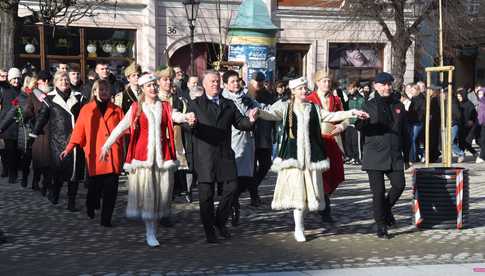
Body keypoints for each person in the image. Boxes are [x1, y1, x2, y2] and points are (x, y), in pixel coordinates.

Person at [256, 77, 368, 242]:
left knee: (311, 194)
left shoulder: (313, 108)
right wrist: (257, 112)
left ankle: (301, 222)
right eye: (300, 89)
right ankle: (299, 228)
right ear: (293, 91)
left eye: (304, 88)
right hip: (292, 158)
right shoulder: (285, 106)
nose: (303, 91)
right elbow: (271, 114)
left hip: (311, 158)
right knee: (298, 195)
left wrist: (352, 112)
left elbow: (330, 115)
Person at [100, 73, 196, 247]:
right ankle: (150, 232)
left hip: (162, 159)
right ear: (143, 89)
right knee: (148, 195)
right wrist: (106, 145)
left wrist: (186, 117)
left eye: (154, 85)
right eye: (149, 86)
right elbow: (121, 127)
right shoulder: (136, 107)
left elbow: (176, 116)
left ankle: (154, 229)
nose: (153, 88)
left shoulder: (165, 106)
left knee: (161, 195)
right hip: (143, 159)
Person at [187, 71, 256, 243]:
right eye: (211, 81)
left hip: (225, 155)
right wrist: (190, 124)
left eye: (217, 81)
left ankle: (220, 221)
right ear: (204, 85)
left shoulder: (228, 104)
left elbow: (240, 123)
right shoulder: (195, 104)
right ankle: (209, 230)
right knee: (206, 196)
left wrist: (251, 120)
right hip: (205, 156)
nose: (215, 84)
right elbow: (188, 126)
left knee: (232, 189)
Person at [60, 79, 124, 227]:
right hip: (96, 155)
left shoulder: (117, 110)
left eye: (106, 89)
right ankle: (90, 205)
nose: (104, 92)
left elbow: (125, 131)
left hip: (113, 154)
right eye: (100, 89)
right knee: (94, 188)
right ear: (94, 92)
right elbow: (78, 131)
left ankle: (106, 219)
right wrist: (69, 148)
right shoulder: (87, 109)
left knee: (111, 190)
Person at [355, 72, 410, 239]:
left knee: (399, 185)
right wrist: (362, 122)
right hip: (375, 155)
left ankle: (385, 211)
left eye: (389, 84)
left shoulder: (398, 105)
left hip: (394, 154)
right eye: (384, 84)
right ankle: (381, 226)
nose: (387, 87)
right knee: (378, 193)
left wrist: (407, 157)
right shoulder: (368, 105)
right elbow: (359, 126)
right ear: (376, 86)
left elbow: (405, 133)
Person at [30, 71, 86, 211]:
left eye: (66, 79)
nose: (64, 82)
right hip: (58, 142)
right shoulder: (49, 99)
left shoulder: (78, 97)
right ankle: (55, 192)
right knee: (59, 171)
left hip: (76, 140)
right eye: (60, 80)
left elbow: (88, 114)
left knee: (74, 172)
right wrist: (33, 134)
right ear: (55, 82)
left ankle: (71, 201)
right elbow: (42, 117)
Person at [306, 69, 349, 223]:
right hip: (316, 142)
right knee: (320, 175)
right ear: (317, 82)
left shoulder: (336, 100)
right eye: (323, 81)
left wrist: (341, 127)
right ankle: (325, 210)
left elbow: (345, 118)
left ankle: (322, 199)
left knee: (335, 173)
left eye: (329, 81)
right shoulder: (309, 99)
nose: (327, 83)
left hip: (333, 141)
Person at [221, 70, 260, 226]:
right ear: (225, 84)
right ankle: (232, 206)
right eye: (232, 81)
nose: (236, 84)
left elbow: (261, 109)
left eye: (237, 81)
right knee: (232, 179)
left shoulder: (246, 98)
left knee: (245, 178)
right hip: (231, 142)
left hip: (248, 142)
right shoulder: (224, 99)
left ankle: (234, 202)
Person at [249, 71, 275, 206]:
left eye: (260, 81)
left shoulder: (270, 96)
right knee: (251, 168)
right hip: (250, 136)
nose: (258, 83)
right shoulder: (246, 95)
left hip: (265, 135)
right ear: (251, 81)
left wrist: (275, 133)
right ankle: (254, 195)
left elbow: (275, 114)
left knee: (265, 165)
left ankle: (252, 187)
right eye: (255, 81)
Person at [29, 70, 53, 195]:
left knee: (48, 160)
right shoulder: (34, 95)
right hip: (39, 132)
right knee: (39, 160)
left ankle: (46, 184)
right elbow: (28, 110)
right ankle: (35, 181)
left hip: (51, 131)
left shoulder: (53, 94)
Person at [0, 68, 22, 183]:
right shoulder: (6, 91)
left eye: (18, 78)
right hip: (8, 126)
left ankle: (12, 172)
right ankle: (11, 174)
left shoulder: (23, 91)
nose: (16, 81)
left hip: (19, 125)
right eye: (14, 78)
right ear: (9, 79)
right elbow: (5, 110)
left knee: (16, 152)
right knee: (10, 151)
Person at [344, 81, 365, 165]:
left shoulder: (361, 98)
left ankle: (358, 158)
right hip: (348, 122)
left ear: (356, 88)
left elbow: (361, 109)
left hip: (357, 124)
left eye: (352, 88)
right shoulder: (348, 98)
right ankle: (351, 156)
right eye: (349, 89)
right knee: (348, 142)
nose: (350, 90)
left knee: (356, 142)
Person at [457, 89, 478, 159]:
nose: (458, 98)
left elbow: (474, 115)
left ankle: (471, 153)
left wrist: (471, 120)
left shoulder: (470, 104)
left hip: (468, 127)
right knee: (461, 142)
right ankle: (465, 154)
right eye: (458, 97)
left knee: (465, 142)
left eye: (460, 96)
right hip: (461, 125)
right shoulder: (459, 104)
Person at [407, 84, 425, 163]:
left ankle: (413, 158)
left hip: (417, 122)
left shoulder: (421, 99)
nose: (411, 91)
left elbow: (422, 111)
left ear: (417, 90)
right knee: (415, 140)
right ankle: (416, 156)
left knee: (412, 138)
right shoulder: (414, 99)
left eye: (412, 90)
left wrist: (418, 118)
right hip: (413, 121)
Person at [476, 88, 485, 163]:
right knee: (481, 140)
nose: (480, 95)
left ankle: (482, 156)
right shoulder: (480, 102)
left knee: (483, 140)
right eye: (479, 94)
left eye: (481, 94)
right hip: (481, 124)